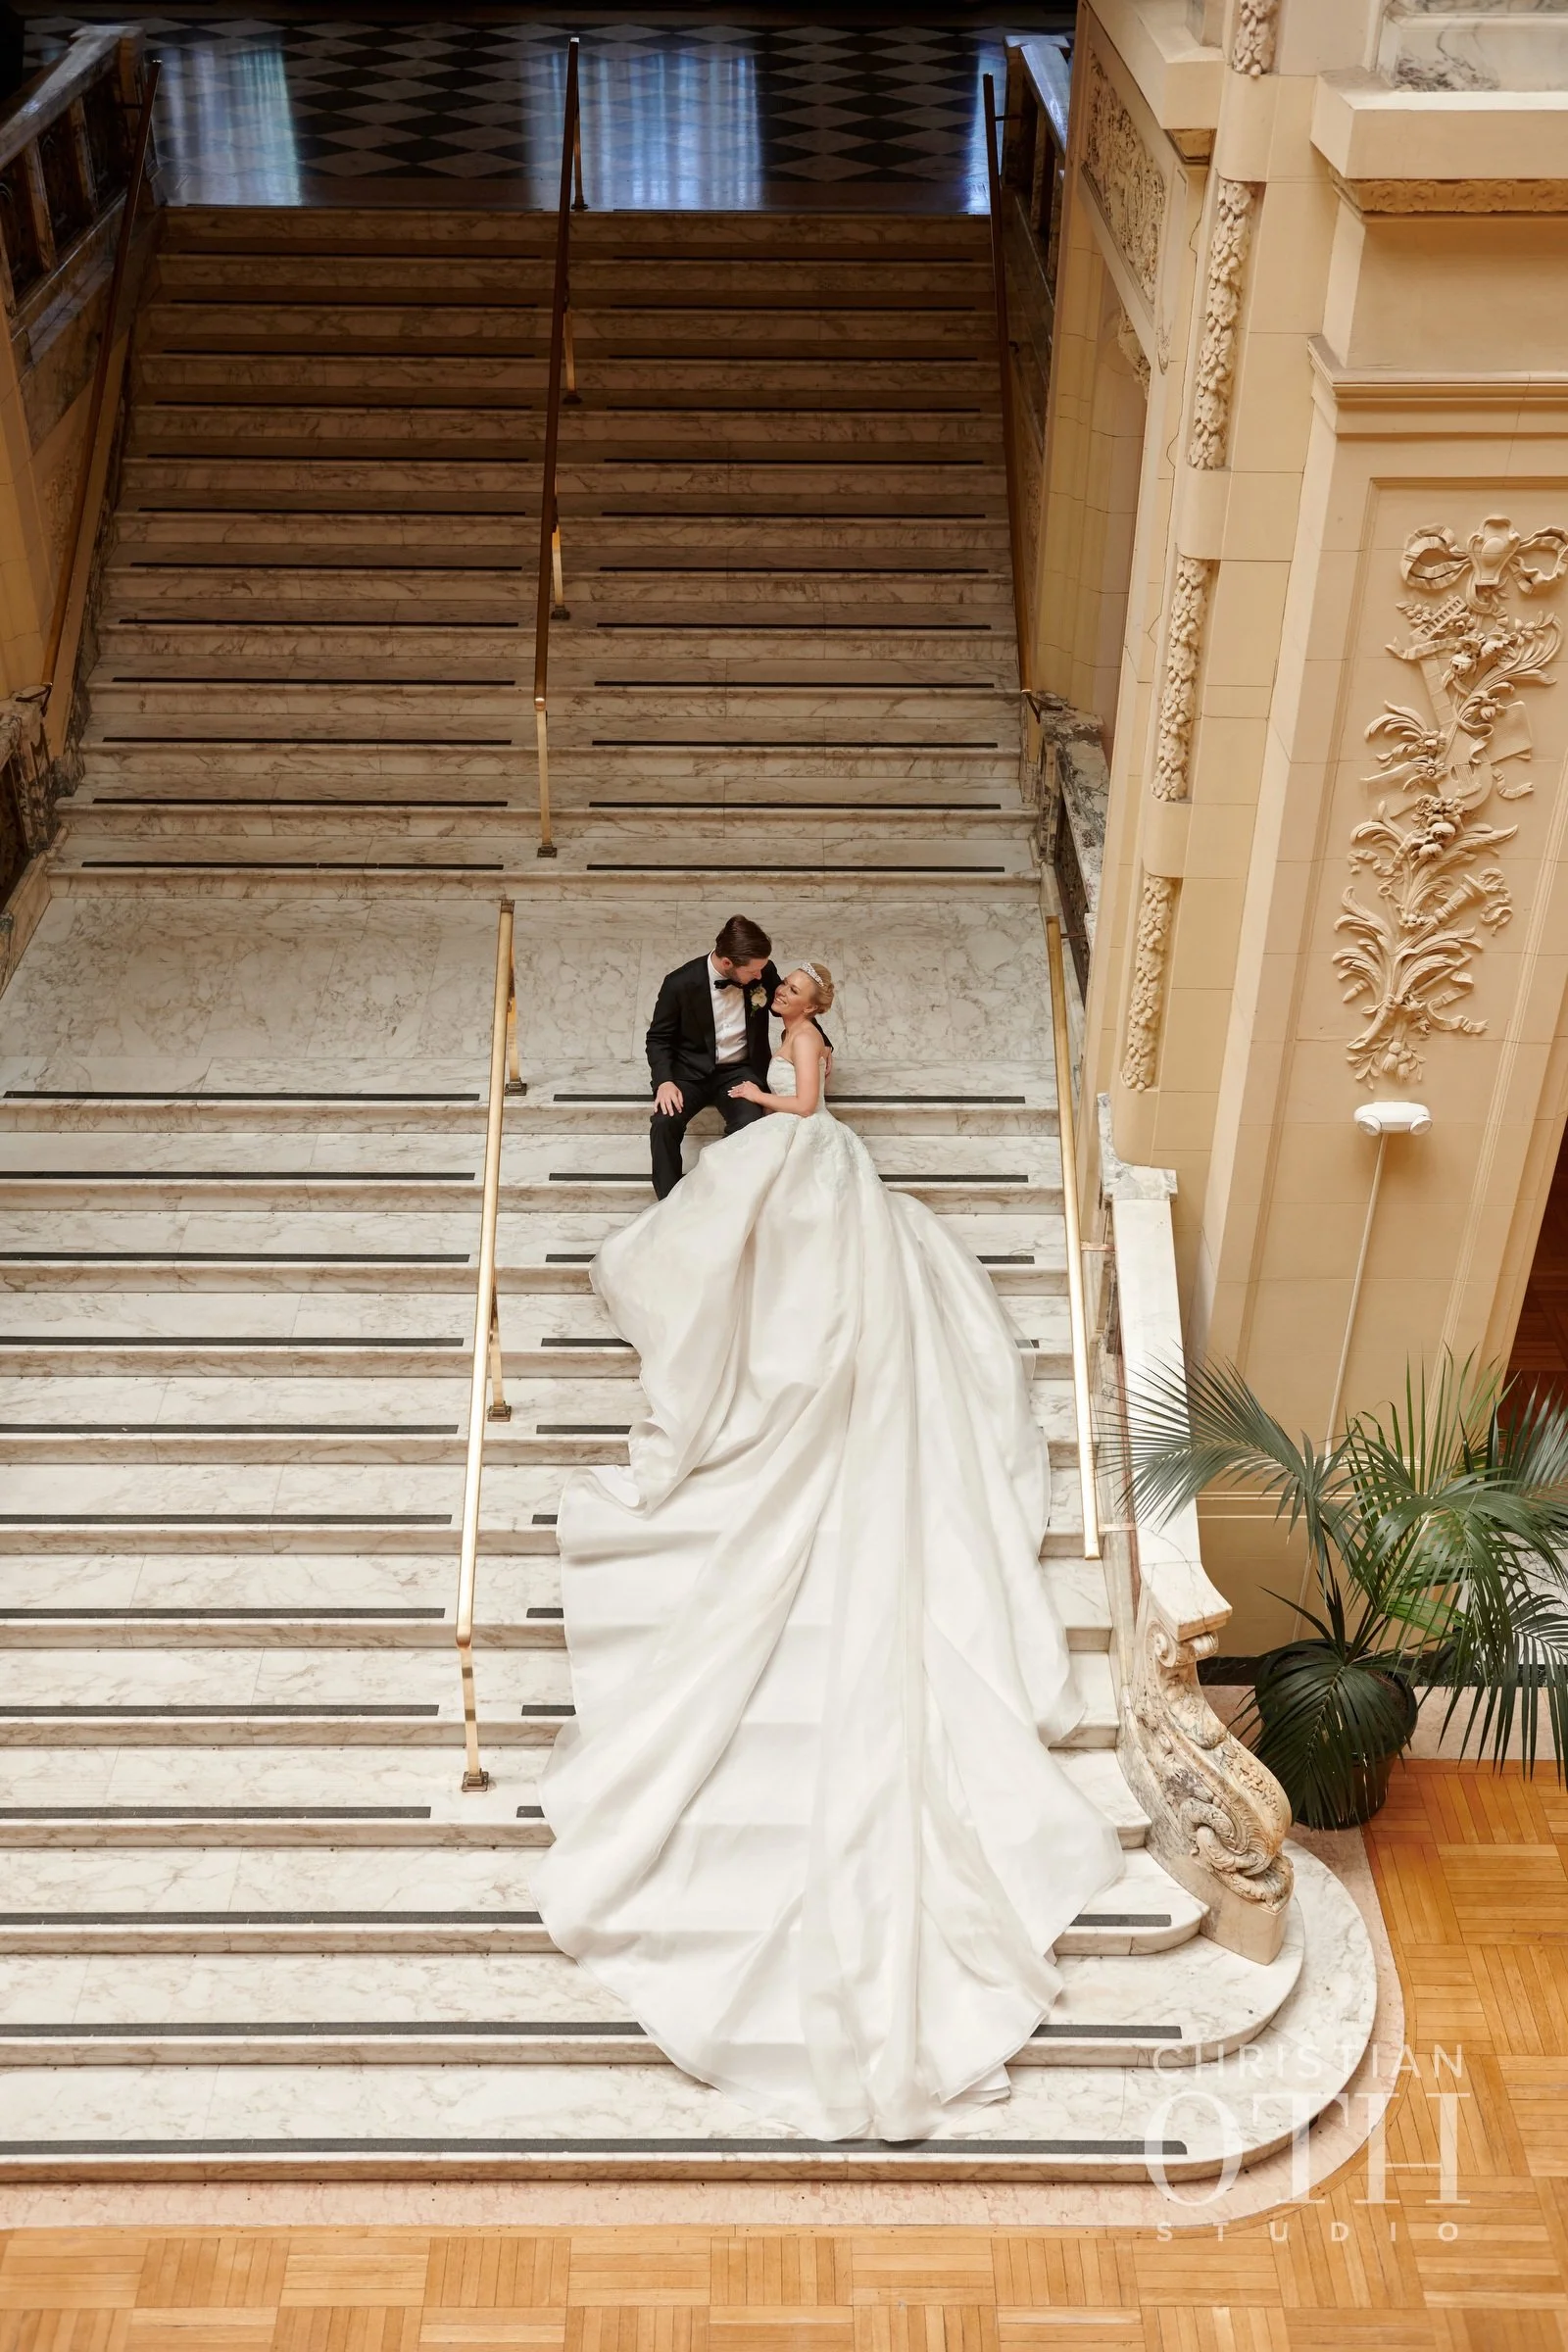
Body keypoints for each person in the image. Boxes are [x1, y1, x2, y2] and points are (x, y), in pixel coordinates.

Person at [533, 957, 1124, 2144]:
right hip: (805, 1166)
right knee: (760, 1228)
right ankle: (744, 1331)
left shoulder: (806, 1052)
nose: (785, 997)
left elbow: (802, 1106)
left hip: (808, 1155)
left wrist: (755, 1103)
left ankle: (763, 1358)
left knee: (789, 1236)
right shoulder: (756, 1015)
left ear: (809, 1005)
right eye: (782, 986)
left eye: (795, 990)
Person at [643, 913, 827, 1199]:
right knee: (663, 1122)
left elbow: (795, 1007)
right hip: (688, 1074)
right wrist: (664, 1081)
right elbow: (658, 1038)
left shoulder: (761, 971)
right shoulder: (679, 983)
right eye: (753, 972)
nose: (760, 977)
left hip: (739, 1071)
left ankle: (731, 1201)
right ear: (727, 963)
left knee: (750, 1124)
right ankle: (667, 1204)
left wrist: (824, 1044)